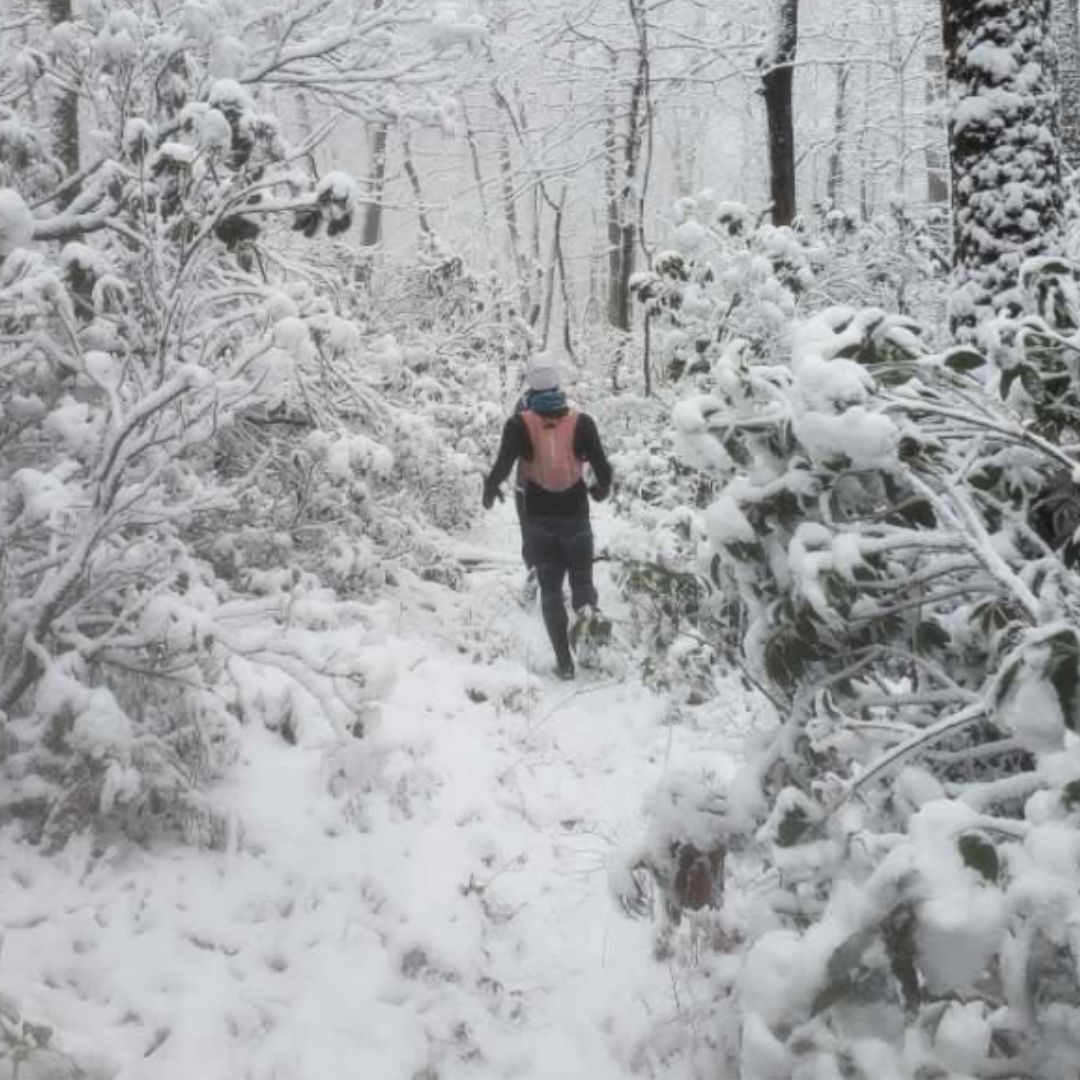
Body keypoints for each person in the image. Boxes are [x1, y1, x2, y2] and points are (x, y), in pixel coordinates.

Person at [482, 354, 613, 679]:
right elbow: (603, 470)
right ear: (558, 383)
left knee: (551, 588)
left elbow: (502, 464)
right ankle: (590, 645)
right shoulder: (582, 422)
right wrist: (599, 492)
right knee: (583, 582)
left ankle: (564, 663)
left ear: (530, 384)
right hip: (577, 518)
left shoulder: (519, 423)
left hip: (540, 520)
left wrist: (491, 488)